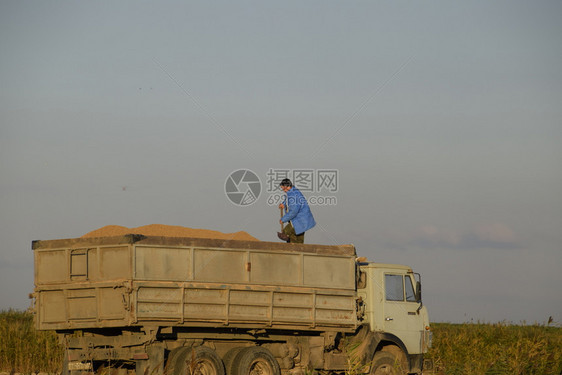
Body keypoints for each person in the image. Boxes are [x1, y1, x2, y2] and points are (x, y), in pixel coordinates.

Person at [277, 178, 316, 243]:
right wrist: (284, 204)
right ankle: (299, 251)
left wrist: (283, 219)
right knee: (299, 239)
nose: (283, 190)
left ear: (286, 187)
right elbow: (289, 201)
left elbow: (293, 211)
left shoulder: (293, 195)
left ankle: (292, 250)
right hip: (303, 221)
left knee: (286, 232)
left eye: (283, 188)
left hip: (298, 221)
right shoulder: (293, 192)